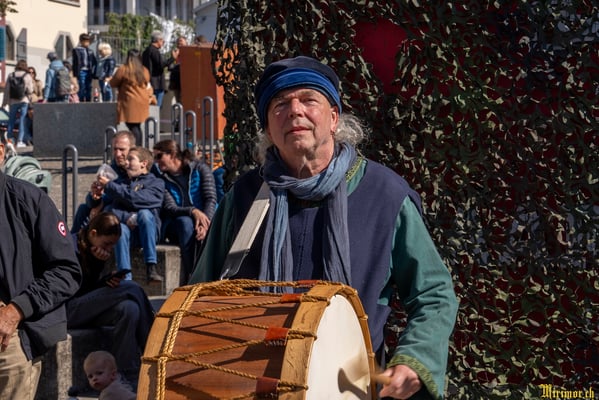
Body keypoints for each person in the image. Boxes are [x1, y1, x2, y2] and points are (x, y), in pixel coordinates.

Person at [189, 56, 459, 399]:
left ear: (333, 118)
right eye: (280, 104)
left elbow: (433, 293)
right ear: (268, 129)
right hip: (252, 386)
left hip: (350, 390)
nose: (295, 111)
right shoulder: (243, 197)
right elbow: (201, 293)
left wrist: (416, 359)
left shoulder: (385, 194)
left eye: (308, 99)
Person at [0, 140, 82, 399]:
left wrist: (16, 310)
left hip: (10, 336)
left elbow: (66, 271)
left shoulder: (28, 199)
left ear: (0, 152)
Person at [67, 211, 154, 390]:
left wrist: (106, 279)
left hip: (86, 307)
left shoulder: (95, 249)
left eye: (112, 245)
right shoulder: (71, 247)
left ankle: (126, 375)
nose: (108, 249)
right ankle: (153, 348)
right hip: (68, 310)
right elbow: (73, 290)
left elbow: (92, 287)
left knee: (130, 309)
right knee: (132, 288)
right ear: (93, 234)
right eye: (107, 244)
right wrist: (96, 263)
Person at [153, 139, 217, 284]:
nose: (156, 161)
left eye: (159, 156)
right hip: (177, 222)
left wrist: (204, 222)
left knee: (206, 228)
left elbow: (210, 198)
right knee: (185, 223)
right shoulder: (161, 178)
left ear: (172, 154)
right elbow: (170, 207)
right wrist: (193, 211)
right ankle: (193, 274)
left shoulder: (200, 169)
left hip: (205, 217)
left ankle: (208, 274)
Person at [97, 147, 165, 283]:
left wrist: (111, 187)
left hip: (149, 233)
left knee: (144, 214)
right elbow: (111, 210)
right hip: (129, 235)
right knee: (120, 229)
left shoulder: (157, 183)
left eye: (131, 159)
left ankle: (151, 267)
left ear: (143, 163)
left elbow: (138, 199)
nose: (126, 163)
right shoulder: (121, 183)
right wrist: (128, 217)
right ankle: (126, 278)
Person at [71, 130, 136, 234]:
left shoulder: (139, 169)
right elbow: (91, 201)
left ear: (132, 149)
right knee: (84, 209)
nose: (117, 154)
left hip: (125, 211)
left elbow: (130, 195)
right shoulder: (110, 169)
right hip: (109, 209)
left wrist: (103, 201)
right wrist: (95, 197)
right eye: (115, 149)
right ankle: (75, 240)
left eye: (122, 149)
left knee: (106, 212)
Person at [109, 49, 152, 145]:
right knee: (137, 126)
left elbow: (113, 83)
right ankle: (138, 147)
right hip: (142, 101)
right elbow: (147, 82)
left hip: (130, 101)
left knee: (133, 126)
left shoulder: (124, 69)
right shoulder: (144, 70)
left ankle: (137, 147)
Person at [2, 59, 33, 147]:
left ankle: (10, 140)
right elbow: (30, 90)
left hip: (13, 101)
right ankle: (20, 141)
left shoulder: (11, 75)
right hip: (24, 100)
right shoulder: (27, 76)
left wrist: (4, 102)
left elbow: (7, 90)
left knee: (11, 120)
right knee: (22, 121)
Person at [142, 30, 177, 108]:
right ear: (158, 40)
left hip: (149, 81)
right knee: (156, 107)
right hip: (156, 83)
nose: (163, 43)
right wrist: (172, 58)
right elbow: (161, 64)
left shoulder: (146, 51)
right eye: (163, 41)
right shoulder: (154, 51)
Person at [72, 33, 97, 102]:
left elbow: (94, 62)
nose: (87, 43)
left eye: (88, 41)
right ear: (81, 41)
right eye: (85, 41)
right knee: (82, 85)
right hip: (81, 70)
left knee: (88, 86)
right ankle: (81, 99)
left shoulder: (90, 51)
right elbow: (75, 62)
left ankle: (88, 99)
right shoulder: (77, 50)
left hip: (88, 70)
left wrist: (94, 71)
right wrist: (75, 74)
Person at [168, 36, 187, 104]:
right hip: (176, 81)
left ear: (186, 43)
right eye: (178, 42)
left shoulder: (188, 52)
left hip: (185, 80)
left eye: (181, 41)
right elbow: (170, 67)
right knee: (178, 100)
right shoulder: (175, 53)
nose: (179, 44)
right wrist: (173, 58)